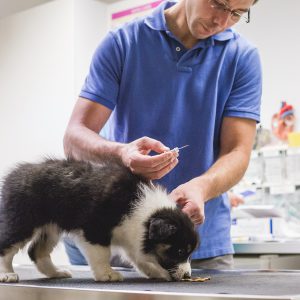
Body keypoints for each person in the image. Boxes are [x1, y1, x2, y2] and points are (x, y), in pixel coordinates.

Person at [63, 0, 262, 270]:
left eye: (237, 13)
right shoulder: (123, 43)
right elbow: (74, 138)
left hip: (201, 245)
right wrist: (121, 153)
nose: (221, 21)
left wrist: (201, 188)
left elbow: (238, 152)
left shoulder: (242, 57)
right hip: (121, 240)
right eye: (217, 3)